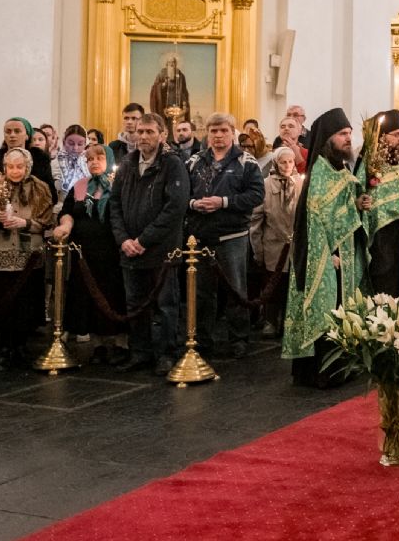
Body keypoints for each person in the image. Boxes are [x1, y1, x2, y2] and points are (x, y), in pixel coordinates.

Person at [283, 108, 372, 388]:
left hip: (346, 254)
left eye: (349, 134)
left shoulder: (341, 167)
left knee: (343, 312)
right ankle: (320, 374)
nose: (348, 139)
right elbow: (316, 220)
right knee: (326, 312)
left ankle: (343, 367)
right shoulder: (319, 173)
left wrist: (360, 205)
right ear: (328, 139)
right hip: (325, 257)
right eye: (342, 134)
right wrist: (327, 253)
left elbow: (342, 208)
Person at [108, 112, 189, 377]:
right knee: (135, 304)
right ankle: (140, 351)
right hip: (130, 249)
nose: (142, 136)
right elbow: (116, 205)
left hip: (161, 249)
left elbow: (174, 208)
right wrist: (124, 240)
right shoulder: (128, 163)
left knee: (166, 304)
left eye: (149, 132)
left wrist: (144, 240)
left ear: (162, 135)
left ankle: (167, 353)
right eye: (139, 132)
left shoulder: (172, 164)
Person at [185, 113, 264, 359]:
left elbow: (256, 195)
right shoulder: (194, 161)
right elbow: (181, 194)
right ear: (207, 134)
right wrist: (193, 203)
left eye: (223, 131)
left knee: (235, 290)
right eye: (213, 131)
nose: (218, 136)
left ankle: (238, 337)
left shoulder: (246, 161)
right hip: (200, 236)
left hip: (232, 236)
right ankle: (202, 339)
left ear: (232, 132)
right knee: (202, 292)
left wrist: (224, 202)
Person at [0, 147, 54, 370]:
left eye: (20, 167)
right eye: (11, 167)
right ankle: (3, 345)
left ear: (28, 167)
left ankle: (20, 345)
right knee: (1, 303)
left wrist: (26, 223)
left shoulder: (40, 188)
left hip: (27, 256)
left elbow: (47, 221)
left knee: (24, 303)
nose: (15, 171)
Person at [52, 144, 129, 366]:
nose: (94, 162)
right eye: (89, 159)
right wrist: (65, 224)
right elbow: (68, 211)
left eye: (99, 157)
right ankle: (98, 345)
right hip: (85, 253)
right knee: (89, 297)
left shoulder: (119, 185)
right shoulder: (80, 186)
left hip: (112, 253)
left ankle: (121, 344)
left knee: (114, 296)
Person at [363, 111, 399, 297]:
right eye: (396, 135)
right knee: (385, 280)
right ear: (382, 137)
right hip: (382, 239)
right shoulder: (368, 167)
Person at [249, 144, 302, 338]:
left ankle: (290, 321)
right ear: (275, 163)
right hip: (273, 243)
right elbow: (256, 221)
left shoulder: (301, 183)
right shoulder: (265, 185)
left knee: (292, 285)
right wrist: (258, 250)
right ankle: (270, 320)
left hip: (295, 245)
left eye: (290, 161)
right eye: (283, 162)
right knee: (273, 285)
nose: (287, 165)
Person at [0, 118, 57, 201]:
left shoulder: (40, 159)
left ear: (27, 136)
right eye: (8, 132)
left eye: (17, 131)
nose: (12, 135)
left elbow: (50, 193)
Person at [53, 125, 90, 195]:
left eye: (80, 144)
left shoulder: (89, 162)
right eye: (71, 144)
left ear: (85, 144)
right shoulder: (56, 163)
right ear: (64, 142)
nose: (75, 148)